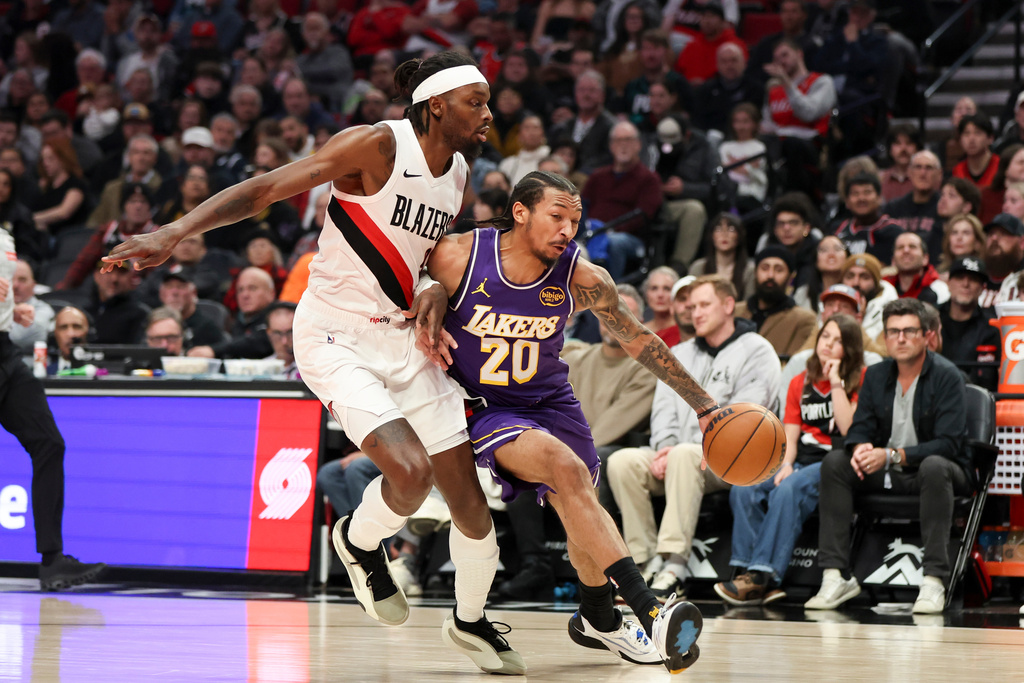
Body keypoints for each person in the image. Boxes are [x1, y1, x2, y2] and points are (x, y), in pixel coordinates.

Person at [104, 51, 526, 675]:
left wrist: (436, 289)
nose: (489, 114)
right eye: (477, 102)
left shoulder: (459, 170)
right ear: (436, 105)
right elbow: (267, 187)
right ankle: (357, 541)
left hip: (404, 336)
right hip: (334, 335)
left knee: (469, 500)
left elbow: (433, 250)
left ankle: (470, 620)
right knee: (409, 475)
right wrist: (175, 232)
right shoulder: (375, 146)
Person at [429, 171, 714, 673]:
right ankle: (649, 609)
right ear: (521, 212)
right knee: (566, 469)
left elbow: (638, 339)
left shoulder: (582, 276)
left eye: (575, 221)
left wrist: (705, 405)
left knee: (580, 505)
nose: (568, 230)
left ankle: (598, 617)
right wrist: (427, 291)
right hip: (485, 405)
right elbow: (392, 277)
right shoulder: (457, 255)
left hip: (552, 400)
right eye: (557, 217)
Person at [607, 275, 780, 600]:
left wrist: (682, 451)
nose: (695, 312)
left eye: (704, 305)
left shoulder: (758, 351)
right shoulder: (678, 351)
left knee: (685, 455)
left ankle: (675, 566)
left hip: (735, 463)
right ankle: (642, 563)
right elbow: (663, 413)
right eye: (691, 306)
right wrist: (663, 449)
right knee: (622, 461)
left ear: (728, 305)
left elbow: (749, 424)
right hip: (679, 457)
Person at [805, 298, 970, 614]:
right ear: (885, 336)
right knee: (837, 463)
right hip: (887, 469)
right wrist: (859, 448)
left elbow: (949, 444)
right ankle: (835, 575)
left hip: (935, 472)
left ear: (926, 335)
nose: (901, 338)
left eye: (909, 331)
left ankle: (934, 580)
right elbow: (857, 429)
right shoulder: (876, 374)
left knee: (936, 466)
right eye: (893, 332)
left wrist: (892, 455)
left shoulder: (948, 376)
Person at [715, 313, 864, 605]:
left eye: (838, 341)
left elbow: (849, 429)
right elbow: (791, 436)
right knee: (746, 486)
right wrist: (785, 465)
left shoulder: (862, 379)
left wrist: (836, 382)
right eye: (825, 337)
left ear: (850, 349)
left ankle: (760, 576)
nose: (828, 345)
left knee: (789, 489)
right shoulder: (800, 381)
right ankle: (748, 571)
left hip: (837, 462)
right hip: (801, 458)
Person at [0, 234, 106, 590]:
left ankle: (53, 560)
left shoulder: (7, 235)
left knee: (49, 444)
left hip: (5, 352)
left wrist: (11, 310)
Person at [735, 246, 817, 359]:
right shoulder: (735, 311)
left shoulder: (803, 319)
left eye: (779, 270)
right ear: (755, 272)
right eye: (764, 268)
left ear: (791, 277)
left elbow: (794, 365)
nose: (770, 275)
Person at [939, 257, 999, 392]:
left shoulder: (992, 327)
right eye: (960, 277)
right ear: (948, 282)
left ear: (983, 288)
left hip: (973, 398)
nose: (966, 284)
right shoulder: (931, 319)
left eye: (973, 279)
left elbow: (987, 382)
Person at [688, 212, 753, 300]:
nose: (724, 234)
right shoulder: (698, 268)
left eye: (731, 229)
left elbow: (748, 304)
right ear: (712, 236)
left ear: (739, 236)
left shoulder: (749, 270)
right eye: (718, 229)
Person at [884, 231, 949, 305]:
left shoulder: (939, 289)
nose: (906, 250)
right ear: (893, 260)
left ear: (925, 258)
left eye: (912, 246)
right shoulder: (883, 288)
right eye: (900, 247)